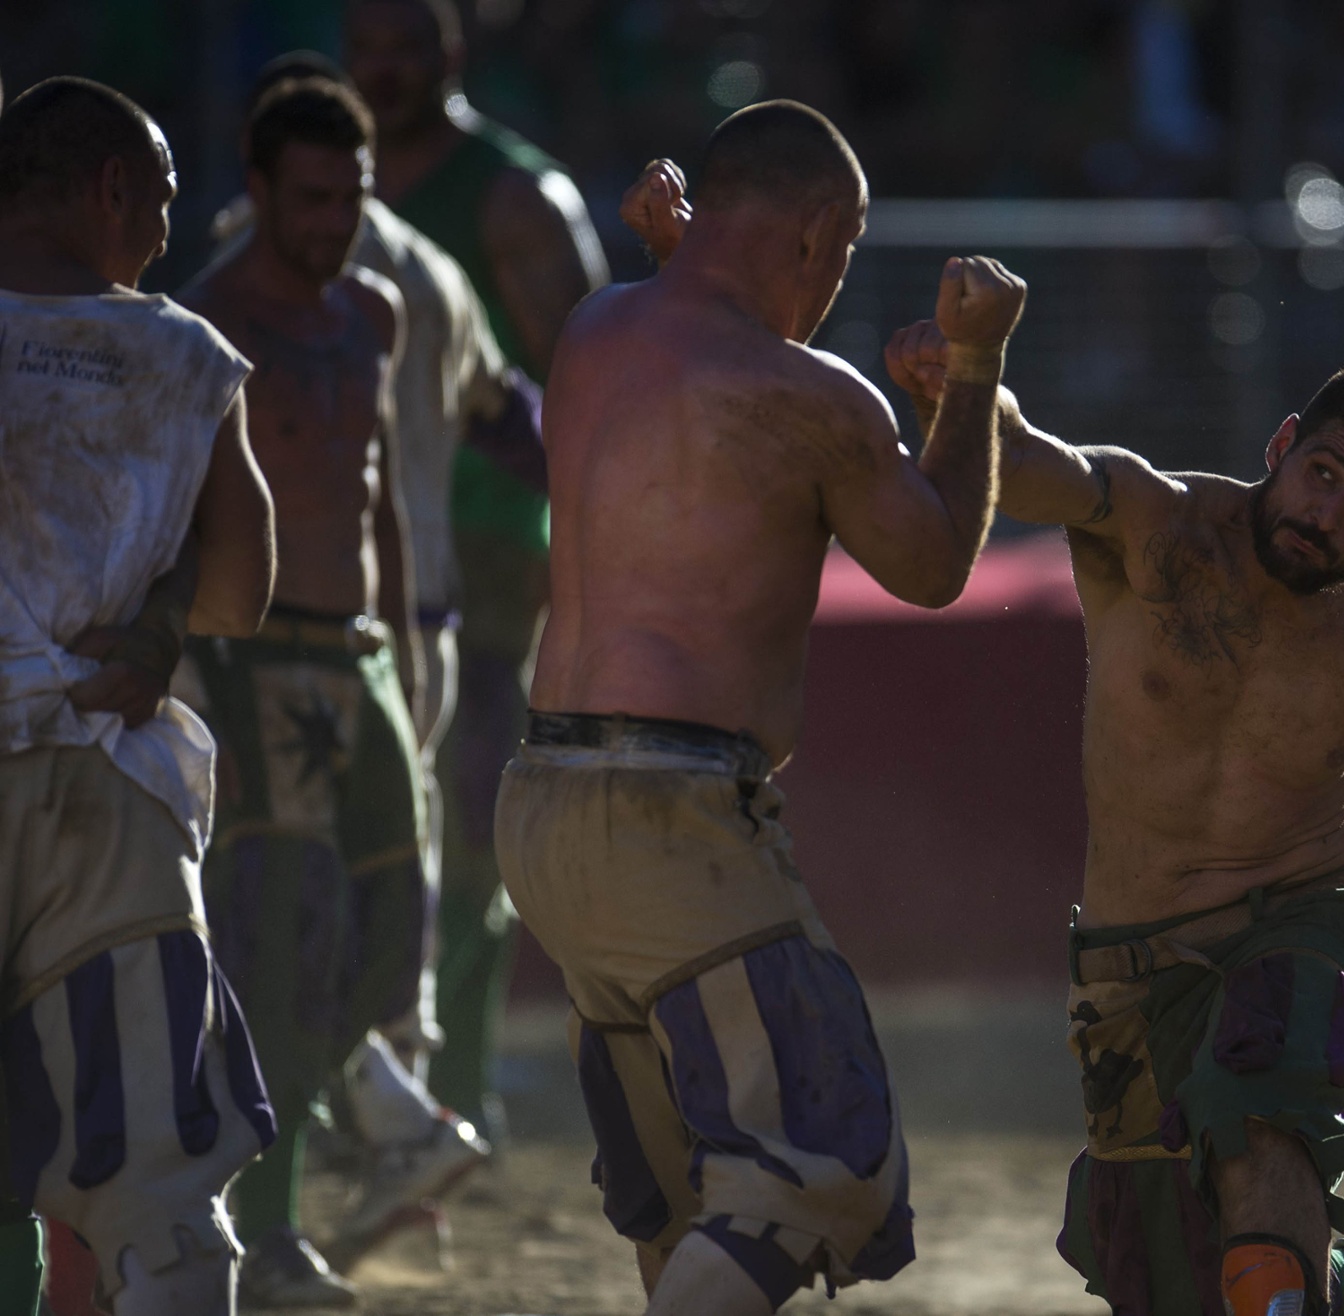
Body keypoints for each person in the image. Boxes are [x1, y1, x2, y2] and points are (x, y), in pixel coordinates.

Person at [872, 329, 1344, 1316]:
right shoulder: (1156, 521)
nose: (1328, 512)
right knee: (1170, 1274)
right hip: (1129, 962)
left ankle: (1296, 1271)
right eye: (1322, 472)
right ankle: (1341, 1282)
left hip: (1298, 927)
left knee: (1262, 1160)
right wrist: (969, 379)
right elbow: (1029, 467)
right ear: (1280, 445)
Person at [496, 101, 1023, 1314]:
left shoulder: (593, 330)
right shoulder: (816, 396)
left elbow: (676, 373)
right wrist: (977, 370)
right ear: (821, 232)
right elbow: (935, 563)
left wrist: (674, 259)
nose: (837, 281)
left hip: (543, 809)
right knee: (818, 1163)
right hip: (670, 823)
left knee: (686, 1185)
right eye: (843, 251)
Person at [207, 48, 543, 1269]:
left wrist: (401, 644)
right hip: (269, 654)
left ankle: (365, 1122)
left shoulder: (382, 300)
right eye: (311, 198)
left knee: (392, 918)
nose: (332, 221)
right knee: (288, 932)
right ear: (265, 182)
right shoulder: (224, 310)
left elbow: (405, 491)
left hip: (373, 648)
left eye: (346, 196)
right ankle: (297, 1190)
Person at [0, 76, 278, 1314]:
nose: (167, 230)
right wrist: (160, 626)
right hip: (106, 788)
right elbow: (243, 585)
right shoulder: (182, 356)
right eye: (160, 197)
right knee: (164, 1213)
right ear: (110, 187)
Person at [345, 0, 609, 1143]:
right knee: (346, 819)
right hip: (343, 550)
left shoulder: (512, 197)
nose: (384, 66)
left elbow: (600, 381)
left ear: (451, 56)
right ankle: (364, 1079)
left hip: (487, 553)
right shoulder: (323, 191)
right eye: (367, 45)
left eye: (408, 44)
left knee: (464, 807)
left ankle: (457, 1082)